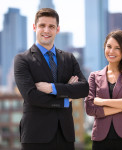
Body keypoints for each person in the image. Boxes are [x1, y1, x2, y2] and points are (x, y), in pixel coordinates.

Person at [14, 8, 89, 150]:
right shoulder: (22, 59)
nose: (46, 30)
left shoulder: (68, 58)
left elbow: (84, 88)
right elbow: (32, 96)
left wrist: (52, 88)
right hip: (36, 136)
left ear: (57, 29)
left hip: (65, 136)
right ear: (34, 27)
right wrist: (66, 97)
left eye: (51, 26)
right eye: (42, 25)